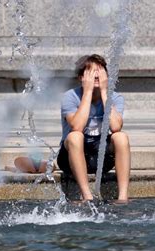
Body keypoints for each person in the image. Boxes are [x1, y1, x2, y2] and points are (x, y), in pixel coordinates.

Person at [56, 54, 130, 203]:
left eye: (100, 70)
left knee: (121, 137)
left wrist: (104, 92)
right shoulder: (70, 97)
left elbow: (116, 126)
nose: (96, 74)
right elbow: (77, 126)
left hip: (101, 158)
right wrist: (88, 92)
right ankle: (87, 195)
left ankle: (123, 196)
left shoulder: (115, 97)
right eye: (90, 71)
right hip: (71, 157)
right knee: (75, 136)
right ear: (80, 77)